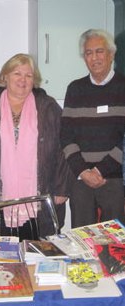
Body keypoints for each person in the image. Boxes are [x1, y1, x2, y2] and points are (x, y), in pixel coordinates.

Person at [0, 53, 70, 240]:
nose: (22, 80)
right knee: (8, 253)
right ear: (5, 76)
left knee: (40, 251)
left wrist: (62, 188)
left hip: (40, 194)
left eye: (28, 75)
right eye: (17, 73)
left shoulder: (48, 107)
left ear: (34, 80)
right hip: (1, 195)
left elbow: (63, 148)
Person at [61, 29, 125, 228]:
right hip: (81, 179)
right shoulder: (75, 88)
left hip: (114, 179)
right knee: (81, 240)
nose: (94, 57)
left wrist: (99, 170)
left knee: (114, 242)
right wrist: (83, 171)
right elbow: (66, 135)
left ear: (111, 54)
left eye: (100, 51)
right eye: (89, 53)